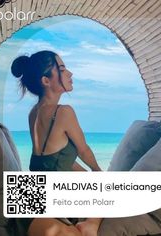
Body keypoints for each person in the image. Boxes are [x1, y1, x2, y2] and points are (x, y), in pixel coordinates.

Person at [11, 50, 102, 236]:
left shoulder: (33, 113)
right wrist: (98, 172)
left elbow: (53, 160)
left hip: (29, 196)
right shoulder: (63, 112)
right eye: (62, 69)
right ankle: (91, 224)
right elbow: (84, 151)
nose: (70, 73)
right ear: (46, 81)